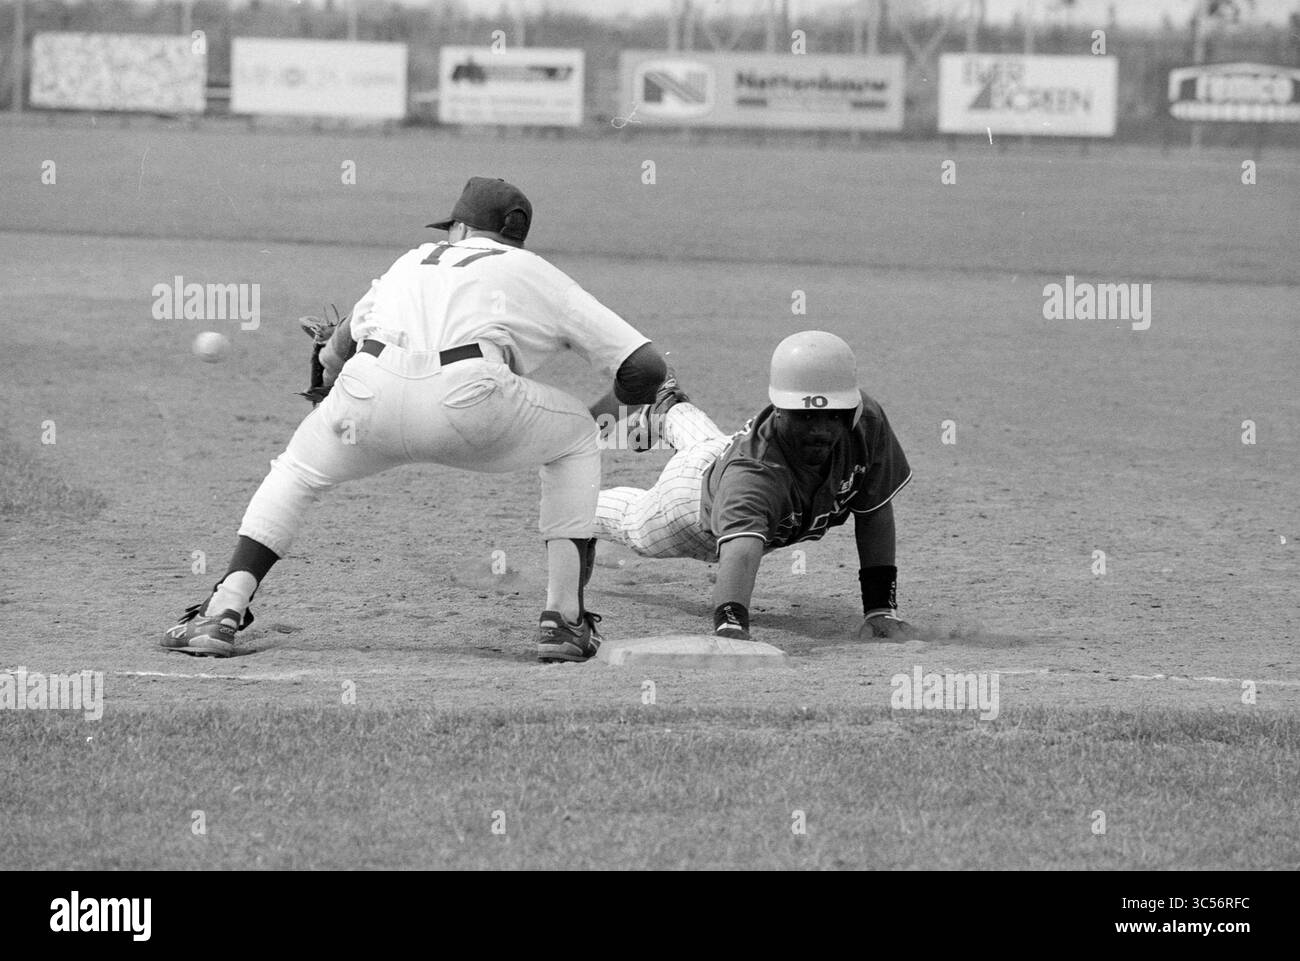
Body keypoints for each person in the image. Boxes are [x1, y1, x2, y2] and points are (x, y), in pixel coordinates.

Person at [163, 177, 668, 664]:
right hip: (472, 403)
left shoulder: (409, 261)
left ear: (463, 230)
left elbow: (335, 356)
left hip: (369, 389)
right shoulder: (535, 271)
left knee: (296, 471)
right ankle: (564, 621)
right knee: (574, 437)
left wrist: (332, 392)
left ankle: (222, 609)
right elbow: (644, 368)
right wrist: (599, 420)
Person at [596, 330, 915, 641]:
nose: (819, 428)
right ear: (778, 411)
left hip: (723, 455)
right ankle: (577, 507)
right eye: (804, 416)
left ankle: (664, 402)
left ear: (852, 408)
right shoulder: (753, 475)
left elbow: (874, 511)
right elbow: (743, 554)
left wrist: (880, 610)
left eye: (832, 415)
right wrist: (732, 625)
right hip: (688, 505)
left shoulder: (866, 424)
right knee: (634, 526)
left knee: (708, 443)